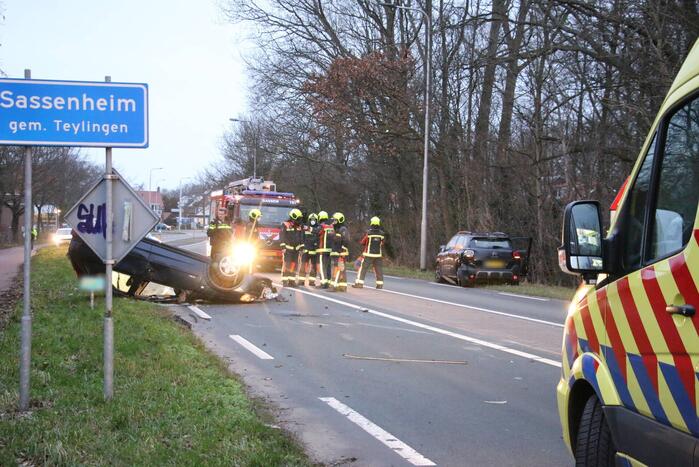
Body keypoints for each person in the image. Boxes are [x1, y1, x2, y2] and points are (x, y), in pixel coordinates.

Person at [353, 216, 385, 289]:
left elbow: (363, 242)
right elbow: (382, 243)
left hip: (368, 254)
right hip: (378, 255)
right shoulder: (382, 234)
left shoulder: (369, 233)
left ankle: (360, 284)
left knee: (363, 269)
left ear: (371, 223)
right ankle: (379, 285)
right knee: (378, 269)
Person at [280, 208, 303, 287]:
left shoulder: (299, 226)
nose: (299, 220)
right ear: (294, 217)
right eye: (298, 218)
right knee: (287, 264)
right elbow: (282, 236)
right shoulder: (285, 224)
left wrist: (301, 247)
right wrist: (283, 246)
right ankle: (285, 280)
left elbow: (301, 237)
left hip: (296, 249)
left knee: (294, 265)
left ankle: (292, 281)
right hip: (288, 249)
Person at [330, 212, 350, 292]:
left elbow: (346, 240)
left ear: (339, 220)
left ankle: (334, 286)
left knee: (337, 269)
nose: (333, 222)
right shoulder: (337, 229)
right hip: (337, 252)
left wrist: (342, 251)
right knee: (342, 269)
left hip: (340, 253)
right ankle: (343, 287)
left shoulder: (343, 229)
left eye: (335, 220)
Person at [299, 213, 320, 286]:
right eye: (311, 219)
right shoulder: (305, 228)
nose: (313, 221)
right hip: (306, 251)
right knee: (303, 266)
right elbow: (302, 237)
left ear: (317, 220)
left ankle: (312, 281)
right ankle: (301, 281)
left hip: (314, 251)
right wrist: (302, 247)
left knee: (314, 267)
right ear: (309, 220)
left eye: (314, 220)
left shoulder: (318, 229)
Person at [316, 211, 335, 289]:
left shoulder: (321, 227)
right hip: (330, 250)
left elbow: (316, 232)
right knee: (328, 266)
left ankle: (323, 283)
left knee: (322, 267)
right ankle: (328, 282)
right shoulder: (331, 227)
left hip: (322, 250)